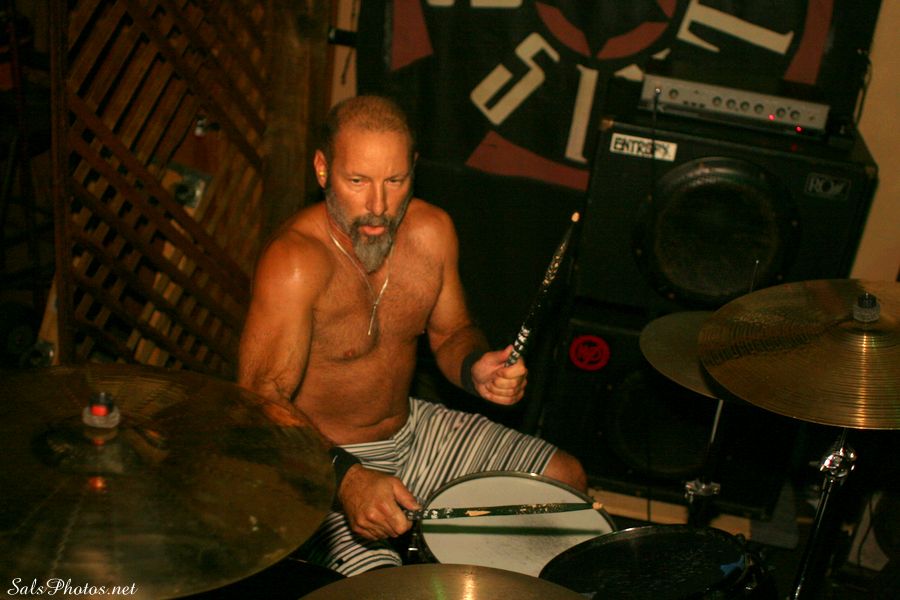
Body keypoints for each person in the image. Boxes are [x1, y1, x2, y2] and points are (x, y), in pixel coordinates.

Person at [238, 95, 586, 576]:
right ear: (322, 170)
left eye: (394, 181)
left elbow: (453, 333)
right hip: (321, 460)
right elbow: (261, 398)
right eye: (357, 181)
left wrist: (476, 368)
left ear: (414, 169)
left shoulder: (432, 231)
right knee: (388, 588)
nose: (377, 206)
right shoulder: (295, 261)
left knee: (564, 481)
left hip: (413, 432)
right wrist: (347, 478)